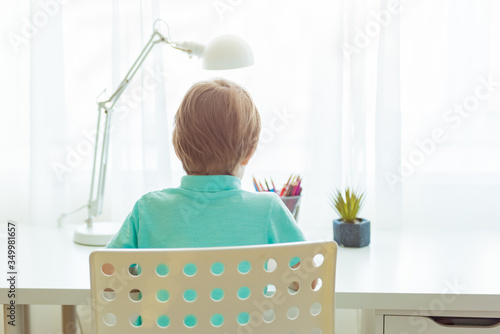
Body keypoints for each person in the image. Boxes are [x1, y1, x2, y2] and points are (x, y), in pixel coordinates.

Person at [107, 78, 304, 250]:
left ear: (177, 150)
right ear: (249, 153)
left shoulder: (148, 209)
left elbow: (106, 275)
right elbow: (309, 280)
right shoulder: (268, 210)